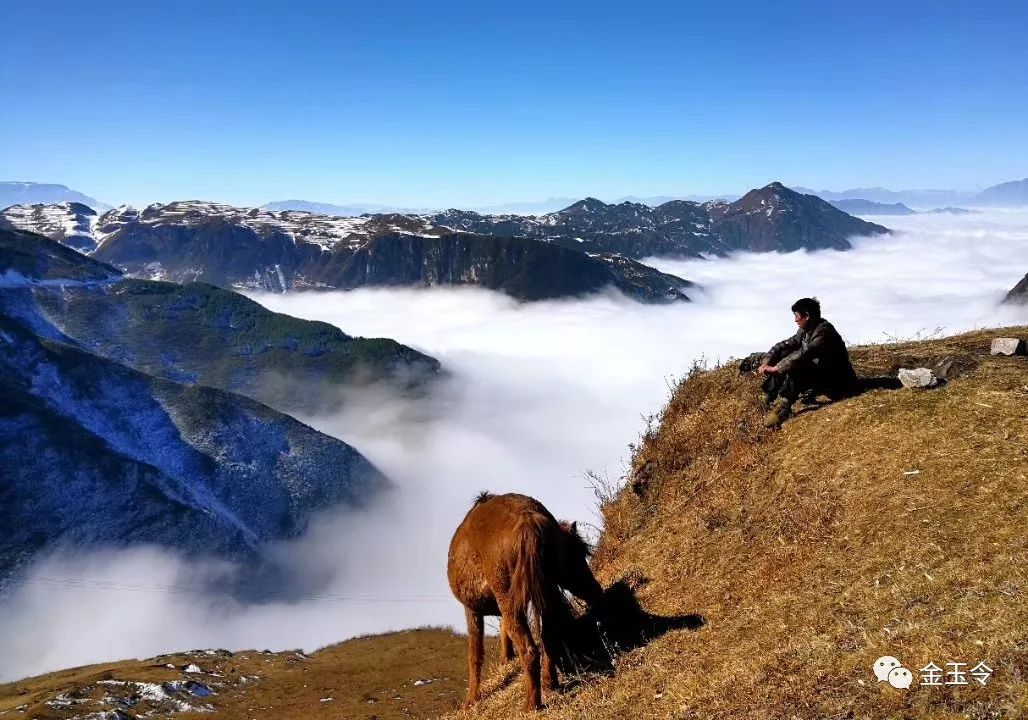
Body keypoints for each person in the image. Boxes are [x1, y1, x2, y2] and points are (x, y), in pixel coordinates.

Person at [757, 297, 858, 427]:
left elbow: (804, 354)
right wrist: (766, 362)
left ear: (807, 316)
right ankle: (769, 394)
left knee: (798, 364)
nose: (795, 320)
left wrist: (777, 368)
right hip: (822, 374)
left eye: (797, 316)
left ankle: (782, 407)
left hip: (838, 382)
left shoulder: (823, 332)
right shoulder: (806, 330)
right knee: (784, 353)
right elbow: (784, 345)